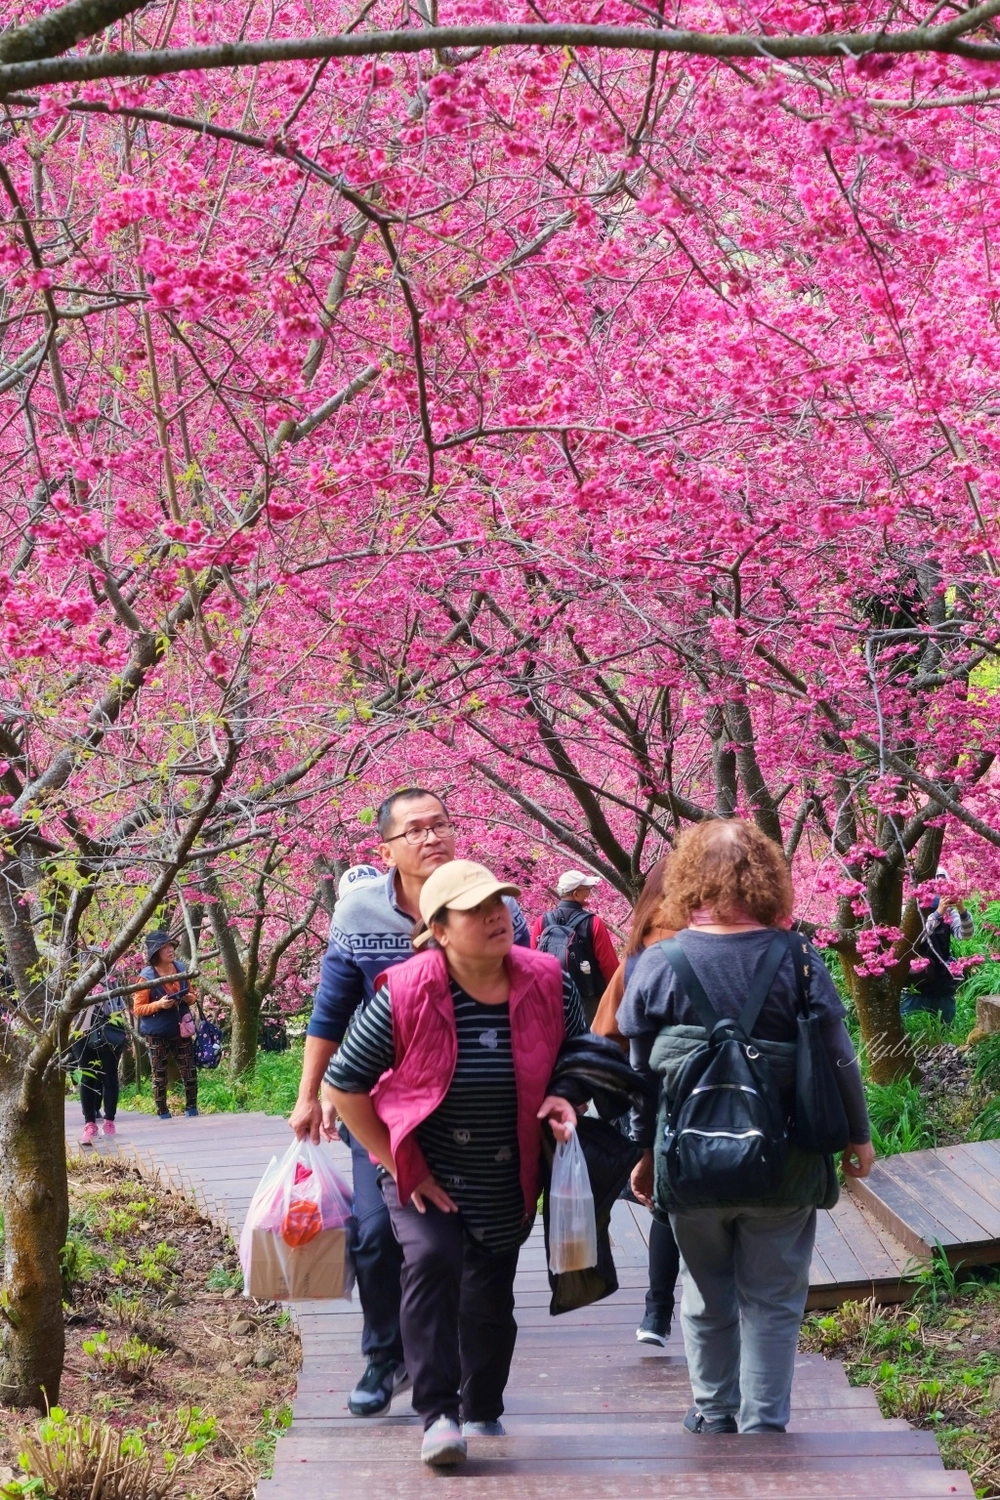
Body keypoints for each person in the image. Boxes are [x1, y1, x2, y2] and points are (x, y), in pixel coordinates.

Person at [618, 819, 874, 1436]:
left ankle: (713, 1411)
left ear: (688, 881)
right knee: (775, 1298)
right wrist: (857, 1137)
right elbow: (839, 1055)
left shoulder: (658, 963)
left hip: (689, 1164)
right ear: (767, 879)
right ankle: (765, 1424)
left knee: (706, 1294)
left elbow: (639, 1075)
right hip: (783, 1163)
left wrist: (646, 1152)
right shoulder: (800, 959)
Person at [326, 859, 585, 1467]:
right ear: (439, 929)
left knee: (490, 1294)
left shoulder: (548, 979)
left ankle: (483, 1404)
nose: (497, 916)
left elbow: (580, 1048)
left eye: (500, 903)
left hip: (508, 1166)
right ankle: (438, 1413)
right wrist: (399, 1163)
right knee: (435, 1261)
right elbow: (345, 1085)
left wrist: (567, 1094)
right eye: (476, 909)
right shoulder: (407, 990)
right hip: (424, 1167)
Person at [289, 787, 530, 1420]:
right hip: (380, 1105)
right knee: (375, 1236)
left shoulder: (493, 902)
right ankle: (383, 1355)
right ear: (387, 847)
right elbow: (331, 1008)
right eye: (416, 829)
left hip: (476, 1113)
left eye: (441, 825)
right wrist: (309, 1093)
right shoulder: (360, 913)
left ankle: (460, 1376)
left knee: (470, 1253)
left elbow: (531, 996)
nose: (432, 837)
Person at [592, 855, 680, 1348]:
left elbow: (604, 1034)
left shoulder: (639, 956)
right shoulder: (723, 945)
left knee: (665, 1208)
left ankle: (656, 1313)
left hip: (657, 1103)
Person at [531, 869, 619, 1025]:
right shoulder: (593, 922)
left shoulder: (541, 921)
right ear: (576, 894)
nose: (590, 893)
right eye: (587, 889)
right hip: (587, 998)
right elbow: (609, 965)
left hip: (551, 996)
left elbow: (532, 960)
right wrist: (617, 993)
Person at [132, 931, 199, 1120]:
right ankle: (162, 1112)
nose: (170, 950)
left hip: (182, 1029)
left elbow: (193, 995)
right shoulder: (146, 977)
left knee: (190, 1070)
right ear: (155, 952)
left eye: (171, 946)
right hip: (157, 1032)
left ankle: (192, 1108)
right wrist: (158, 1005)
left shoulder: (180, 968)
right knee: (159, 1074)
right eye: (165, 947)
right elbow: (137, 1008)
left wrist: (189, 998)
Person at [901, 868, 974, 1025]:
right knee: (913, 1033)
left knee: (945, 1031)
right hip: (916, 986)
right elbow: (913, 940)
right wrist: (937, 915)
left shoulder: (950, 911)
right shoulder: (908, 911)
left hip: (942, 984)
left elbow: (966, 935)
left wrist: (961, 910)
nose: (937, 892)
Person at [76, 974, 129, 1144]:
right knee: (87, 1077)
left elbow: (119, 1008)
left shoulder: (111, 979)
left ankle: (109, 1120)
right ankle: (90, 1124)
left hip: (108, 1033)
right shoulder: (76, 979)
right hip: (81, 1033)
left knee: (110, 1077)